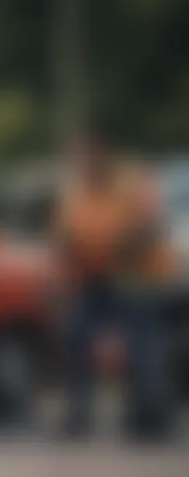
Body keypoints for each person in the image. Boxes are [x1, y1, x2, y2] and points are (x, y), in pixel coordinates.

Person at [55, 132, 179, 439]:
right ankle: (78, 415)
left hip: (137, 276)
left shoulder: (131, 182)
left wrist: (115, 245)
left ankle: (150, 416)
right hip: (95, 277)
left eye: (88, 156)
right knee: (75, 335)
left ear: (104, 153)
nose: (84, 164)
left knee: (143, 345)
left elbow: (148, 226)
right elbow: (65, 236)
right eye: (79, 158)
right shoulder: (76, 191)